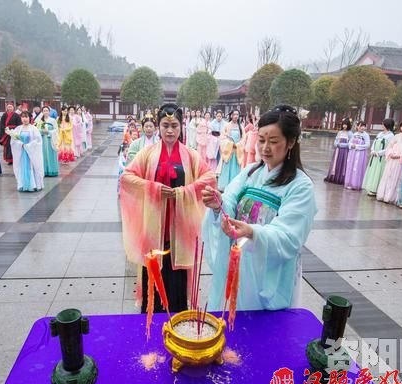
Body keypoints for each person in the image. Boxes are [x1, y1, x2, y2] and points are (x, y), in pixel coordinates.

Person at [202, 104, 317, 310]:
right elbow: (229, 199)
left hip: (270, 270)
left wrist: (253, 232)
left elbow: (290, 237)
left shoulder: (301, 186)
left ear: (290, 142)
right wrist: (218, 204)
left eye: (273, 142)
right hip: (239, 262)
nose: (265, 148)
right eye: (261, 140)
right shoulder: (251, 172)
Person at [120, 104, 216, 313]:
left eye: (174, 125)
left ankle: (178, 316)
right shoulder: (147, 153)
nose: (170, 130)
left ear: (181, 127)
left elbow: (209, 177)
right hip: (154, 227)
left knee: (177, 278)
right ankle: (150, 318)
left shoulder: (190, 155)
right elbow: (127, 177)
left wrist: (185, 191)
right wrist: (152, 188)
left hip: (179, 229)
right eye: (165, 125)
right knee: (153, 273)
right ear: (158, 127)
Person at [376, 120, 402, 204]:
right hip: (392, 159)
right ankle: (383, 195)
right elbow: (390, 146)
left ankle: (391, 197)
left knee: (396, 177)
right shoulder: (397, 136)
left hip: (400, 161)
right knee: (388, 176)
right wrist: (390, 153)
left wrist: (400, 155)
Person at [7, 111, 44, 192]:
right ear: (21, 118)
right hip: (21, 152)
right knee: (22, 167)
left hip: (31, 152)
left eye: (26, 117)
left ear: (29, 118)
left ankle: (33, 184)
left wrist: (29, 145)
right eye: (23, 117)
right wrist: (21, 144)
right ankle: (23, 184)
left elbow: (38, 141)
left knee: (32, 167)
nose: (24, 119)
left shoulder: (34, 129)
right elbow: (13, 141)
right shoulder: (18, 129)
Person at [362, 118, 394, 196]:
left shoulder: (391, 136)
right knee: (372, 171)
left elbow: (389, 148)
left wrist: (379, 153)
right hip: (374, 156)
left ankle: (376, 189)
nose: (382, 125)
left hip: (381, 158)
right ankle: (370, 187)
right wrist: (373, 150)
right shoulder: (380, 134)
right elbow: (374, 143)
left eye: (383, 124)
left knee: (379, 172)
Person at [217, 110, 244, 191]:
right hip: (228, 152)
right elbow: (222, 138)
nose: (236, 116)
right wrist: (230, 144)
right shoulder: (227, 126)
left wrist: (238, 145)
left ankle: (234, 186)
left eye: (237, 114)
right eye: (234, 114)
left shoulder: (241, 127)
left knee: (235, 168)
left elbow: (244, 139)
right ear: (231, 115)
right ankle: (224, 185)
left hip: (236, 151)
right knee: (226, 168)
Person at [325, 118, 353, 184]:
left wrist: (341, 145)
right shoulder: (340, 132)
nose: (344, 126)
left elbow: (350, 144)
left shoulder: (350, 133)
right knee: (336, 163)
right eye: (343, 124)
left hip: (345, 152)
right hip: (337, 150)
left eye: (346, 125)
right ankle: (334, 176)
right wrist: (336, 144)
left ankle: (341, 178)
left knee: (343, 163)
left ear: (348, 125)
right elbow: (336, 140)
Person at [344, 121, 371, 190]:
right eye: (361, 126)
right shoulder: (355, 134)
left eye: (364, 126)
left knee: (357, 168)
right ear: (357, 127)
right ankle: (349, 182)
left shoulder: (366, 135)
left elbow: (367, 145)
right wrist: (351, 145)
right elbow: (350, 142)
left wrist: (357, 146)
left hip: (360, 154)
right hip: (352, 153)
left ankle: (356, 184)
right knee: (351, 167)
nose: (362, 127)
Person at [34, 106, 60, 177]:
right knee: (43, 155)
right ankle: (44, 171)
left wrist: (49, 132)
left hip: (50, 140)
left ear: (49, 112)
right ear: (42, 112)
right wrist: (41, 131)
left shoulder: (53, 120)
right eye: (44, 111)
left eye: (47, 110)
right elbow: (36, 130)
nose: (45, 112)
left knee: (51, 154)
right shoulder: (39, 121)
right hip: (42, 139)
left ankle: (52, 170)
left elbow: (56, 130)